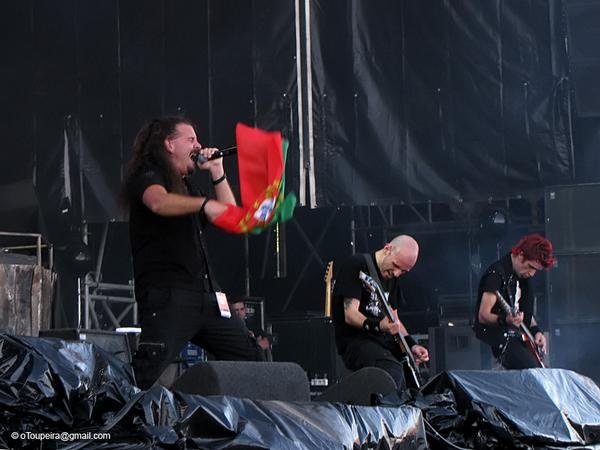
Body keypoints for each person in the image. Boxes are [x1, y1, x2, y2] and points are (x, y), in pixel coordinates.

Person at [122, 116, 260, 389]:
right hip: (170, 296)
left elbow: (231, 217)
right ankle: (113, 412)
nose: (198, 145)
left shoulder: (189, 188)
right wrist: (203, 204)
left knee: (251, 359)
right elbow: (158, 202)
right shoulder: (148, 175)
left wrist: (217, 171)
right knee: (146, 374)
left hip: (207, 296)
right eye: (191, 139)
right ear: (170, 144)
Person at [332, 235, 429, 391]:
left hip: (383, 344)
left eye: (403, 271)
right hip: (356, 342)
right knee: (391, 371)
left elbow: (395, 319)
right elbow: (350, 314)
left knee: (413, 383)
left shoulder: (393, 278)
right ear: (387, 249)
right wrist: (378, 326)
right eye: (396, 265)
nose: (396, 273)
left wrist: (412, 345)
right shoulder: (357, 265)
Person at [473, 234, 554, 369]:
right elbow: (483, 315)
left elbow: (524, 314)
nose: (532, 273)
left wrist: (536, 331)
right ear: (521, 256)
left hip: (518, 338)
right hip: (501, 339)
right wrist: (505, 320)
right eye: (531, 267)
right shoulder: (496, 275)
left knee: (541, 372)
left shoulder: (523, 278)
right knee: (533, 372)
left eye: (536, 270)